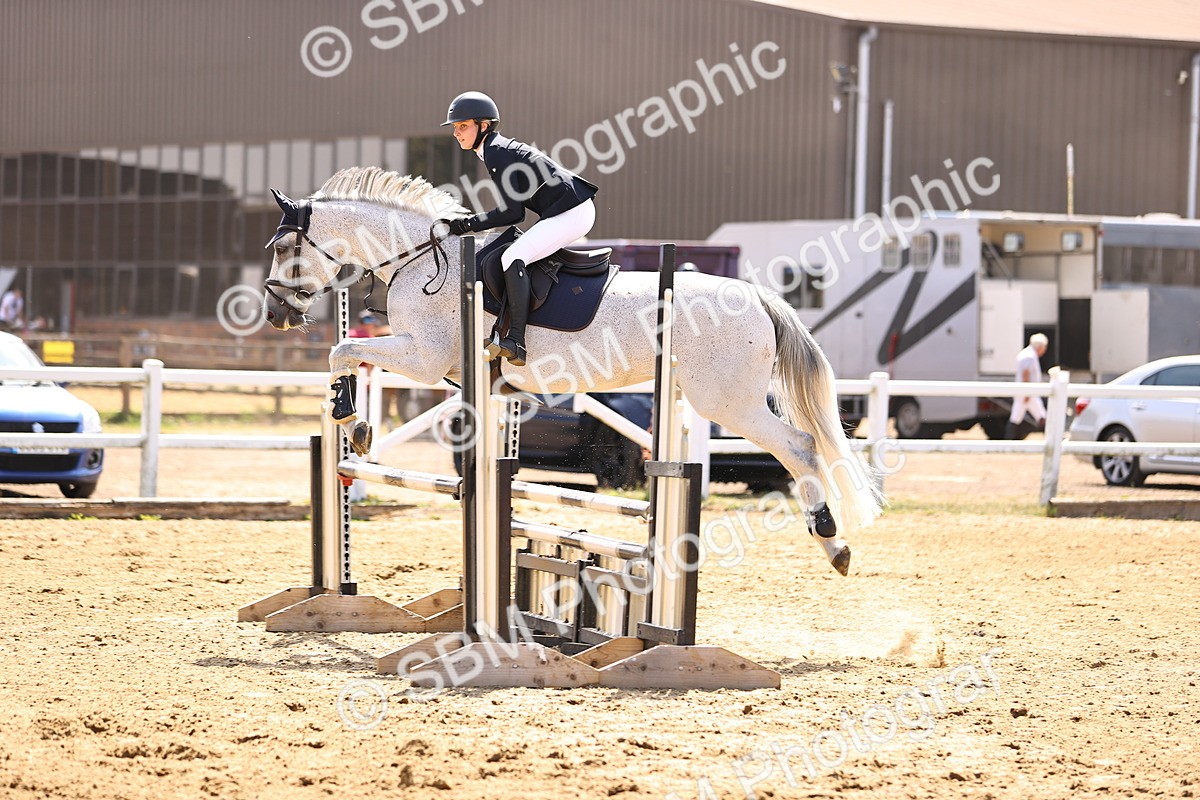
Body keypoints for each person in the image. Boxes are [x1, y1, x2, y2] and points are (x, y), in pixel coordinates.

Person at [439, 91, 599, 367]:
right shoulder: (494, 149)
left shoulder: (497, 153)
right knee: (512, 252)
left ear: (484, 126)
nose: (457, 132)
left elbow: (513, 213)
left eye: (463, 126)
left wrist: (467, 224)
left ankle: (516, 340)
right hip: (565, 210)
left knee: (512, 257)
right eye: (455, 127)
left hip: (572, 212)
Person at [1007, 332, 1049, 439]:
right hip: (1029, 393)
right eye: (1044, 347)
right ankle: (1051, 439)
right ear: (1039, 346)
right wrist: (1027, 392)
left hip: (1024, 392)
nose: (1044, 350)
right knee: (1042, 416)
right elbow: (1026, 374)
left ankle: (1008, 440)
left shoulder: (1027, 354)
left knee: (1015, 418)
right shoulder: (1029, 356)